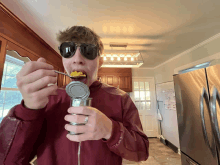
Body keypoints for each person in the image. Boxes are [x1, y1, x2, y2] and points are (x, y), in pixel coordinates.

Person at [0, 26, 149, 165]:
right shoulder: (47, 98)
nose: (77, 58)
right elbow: (8, 160)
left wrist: (110, 130)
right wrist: (28, 109)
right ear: (63, 59)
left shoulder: (121, 99)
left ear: (100, 61)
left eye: (88, 51)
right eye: (68, 50)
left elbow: (142, 152)